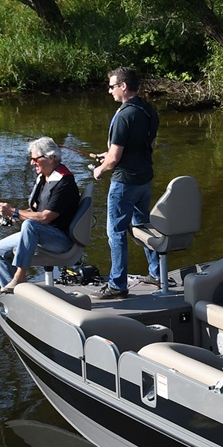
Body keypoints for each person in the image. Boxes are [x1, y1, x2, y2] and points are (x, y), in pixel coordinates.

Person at [91, 66, 159, 299]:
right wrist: (109, 154)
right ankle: (156, 273)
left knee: (116, 232)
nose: (109, 91)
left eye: (112, 86)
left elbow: (114, 159)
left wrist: (100, 168)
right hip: (144, 180)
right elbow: (147, 146)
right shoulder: (149, 111)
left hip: (124, 183)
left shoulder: (123, 116)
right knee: (143, 226)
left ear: (123, 86)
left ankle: (117, 285)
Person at [0, 137, 81, 293]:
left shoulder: (64, 182)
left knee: (30, 225)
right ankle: (13, 293)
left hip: (61, 240)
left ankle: (19, 277)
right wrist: (14, 214)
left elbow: (45, 217)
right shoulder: (44, 178)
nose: (32, 163)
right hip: (39, 233)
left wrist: (14, 211)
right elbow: (35, 211)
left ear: (51, 158)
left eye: (35, 159)